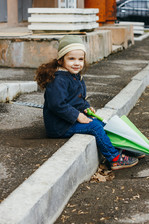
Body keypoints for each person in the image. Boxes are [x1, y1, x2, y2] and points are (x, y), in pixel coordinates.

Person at [35, 35, 138, 170]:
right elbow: (57, 105)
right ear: (61, 60)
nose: (77, 63)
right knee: (95, 127)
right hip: (59, 126)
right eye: (71, 59)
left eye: (80, 59)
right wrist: (78, 116)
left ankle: (122, 148)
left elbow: (78, 100)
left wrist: (86, 108)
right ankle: (114, 158)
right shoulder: (58, 80)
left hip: (69, 121)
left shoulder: (75, 76)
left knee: (102, 124)